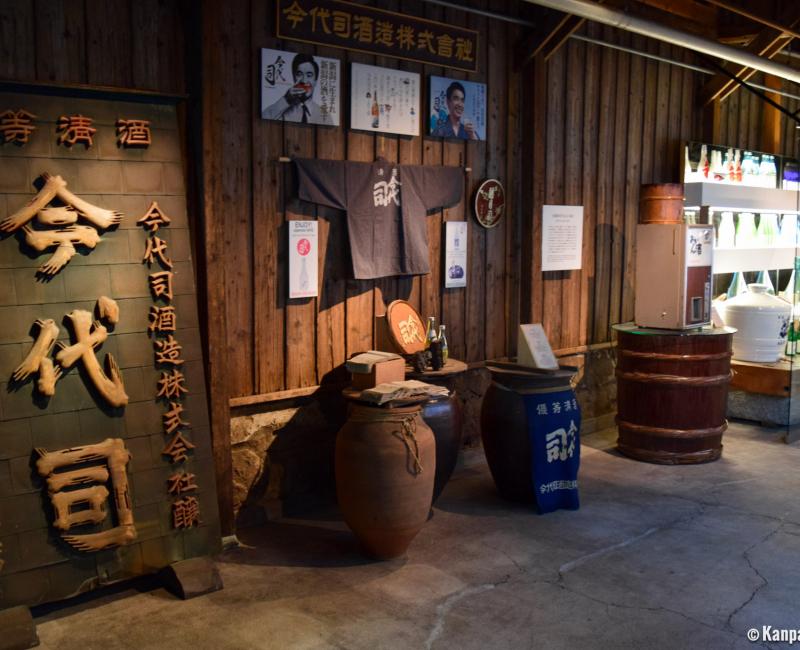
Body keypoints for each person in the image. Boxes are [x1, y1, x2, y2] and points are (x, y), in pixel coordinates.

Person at [263, 54, 333, 125]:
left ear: (315, 81)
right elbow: (263, 116)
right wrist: (286, 99)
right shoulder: (281, 109)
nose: (304, 80)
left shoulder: (325, 116)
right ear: (294, 77)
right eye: (299, 74)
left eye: (309, 75)